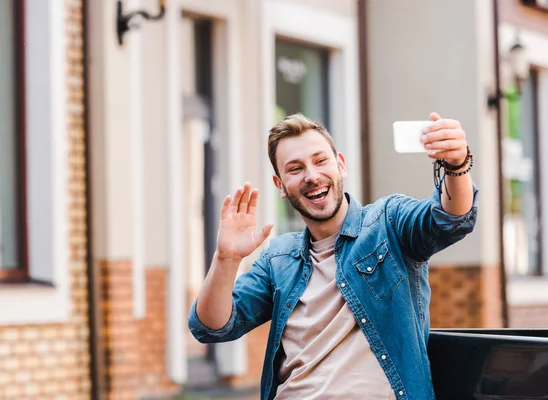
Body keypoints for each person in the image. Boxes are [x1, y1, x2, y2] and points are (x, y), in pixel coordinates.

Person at [188, 112, 478, 400]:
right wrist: (226, 259)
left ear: (341, 165)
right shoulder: (277, 258)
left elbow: (450, 220)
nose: (312, 176)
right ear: (280, 186)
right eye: (295, 168)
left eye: (320, 161)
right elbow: (212, 328)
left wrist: (457, 165)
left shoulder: (388, 224)